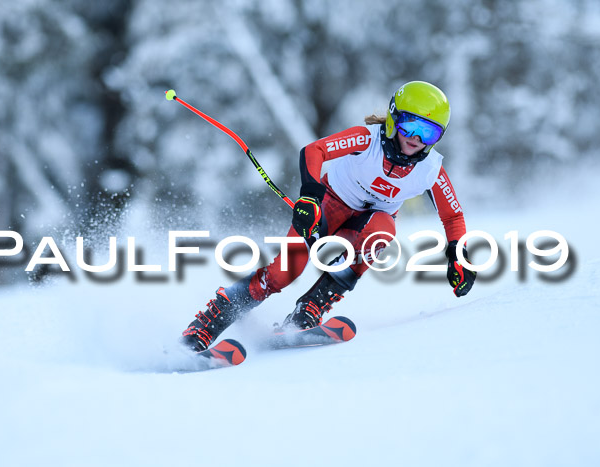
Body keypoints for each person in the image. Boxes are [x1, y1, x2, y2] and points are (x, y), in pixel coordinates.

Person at [181, 81, 477, 352]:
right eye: (409, 125)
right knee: (283, 274)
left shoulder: (430, 170)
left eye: (428, 132)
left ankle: (308, 311)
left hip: (364, 226)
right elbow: (314, 150)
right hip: (328, 207)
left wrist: (458, 253)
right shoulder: (366, 140)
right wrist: (309, 197)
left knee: (383, 229)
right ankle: (205, 325)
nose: (415, 138)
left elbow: (453, 215)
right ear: (392, 119)